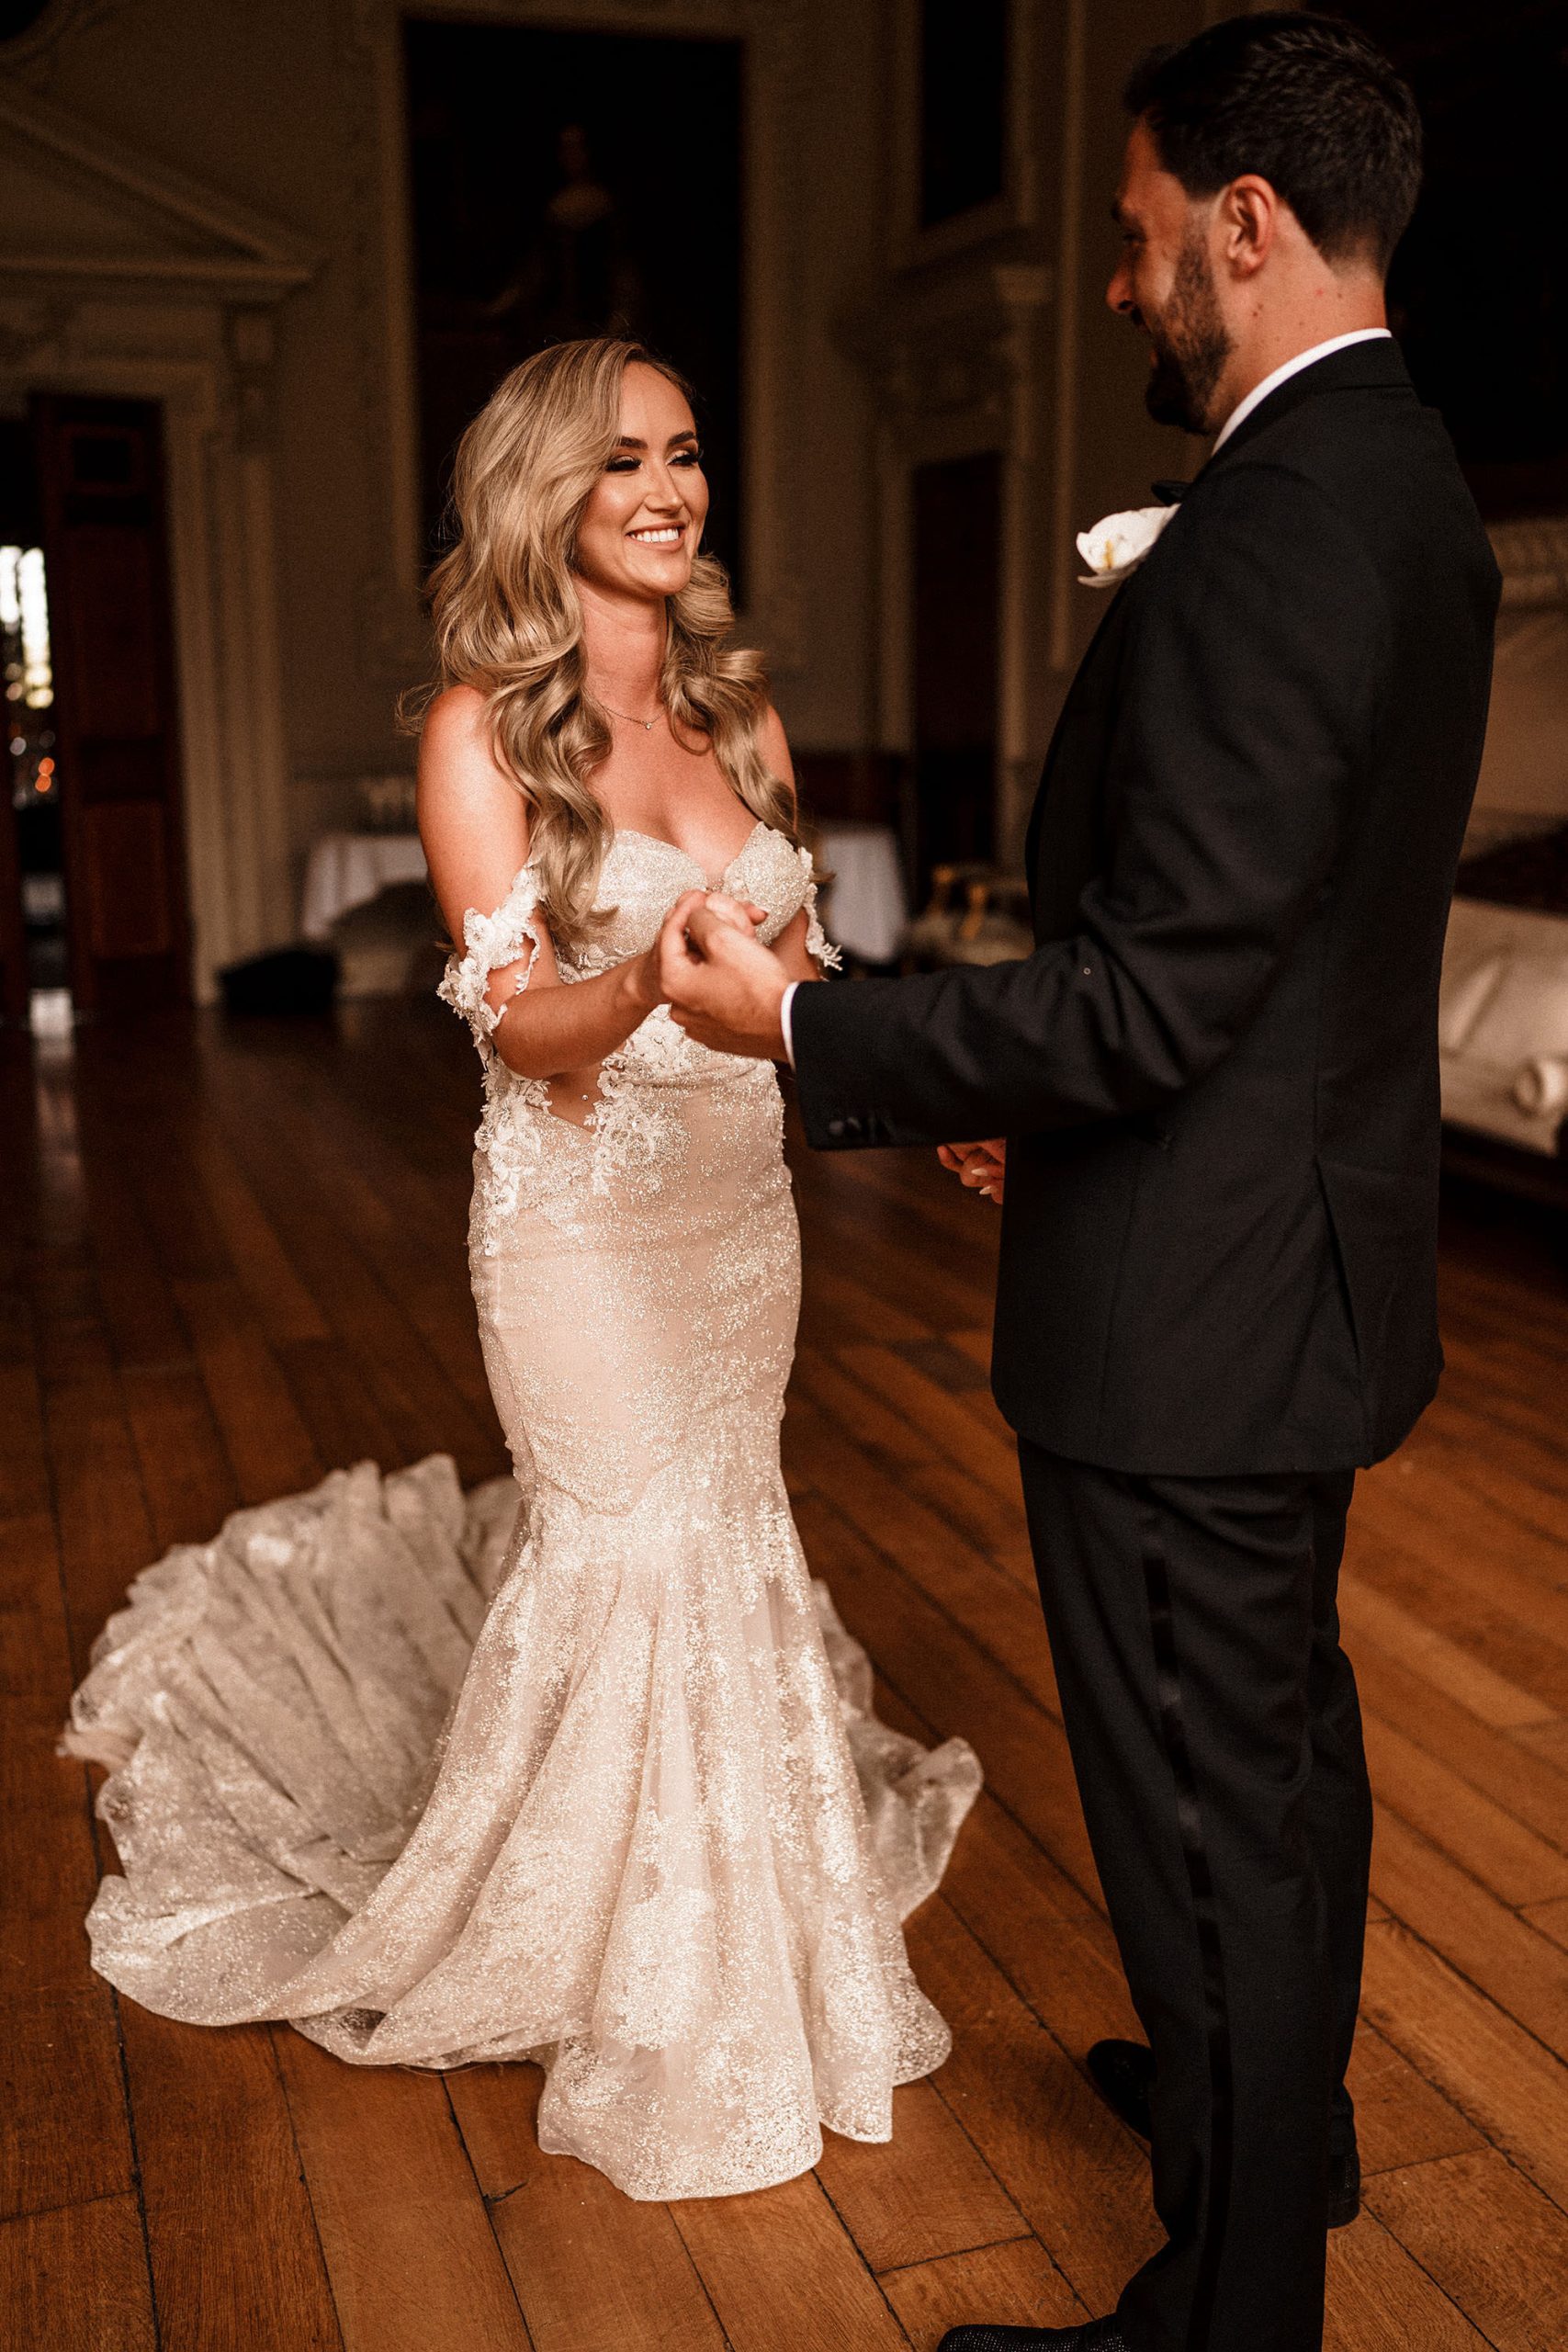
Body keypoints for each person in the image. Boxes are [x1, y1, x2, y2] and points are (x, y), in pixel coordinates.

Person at [657, 16, 1499, 2348]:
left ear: (1242, 225)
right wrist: (1019, 1085)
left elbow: (1147, 992)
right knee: (1280, 1751)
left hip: (1190, 1315)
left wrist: (809, 1027)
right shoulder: (1400, 485)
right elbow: (1268, 945)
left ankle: (1227, 2306)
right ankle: (1270, 2117)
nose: (1121, 288)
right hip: (1296, 1253)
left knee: (1210, 1810)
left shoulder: (1272, 525)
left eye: (1137, 244)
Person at [61, 337, 980, 2202]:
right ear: (541, 493)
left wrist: (929, 1096)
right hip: (579, 1231)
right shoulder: (478, 731)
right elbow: (517, 1033)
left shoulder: (746, 718)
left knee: (728, 1524)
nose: (666, 486)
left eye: (686, 452)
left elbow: (813, 994)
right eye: (619, 457)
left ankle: (736, 1884)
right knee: (623, 1546)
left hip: (739, 1222)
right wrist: (645, 974)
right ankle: (615, 1938)